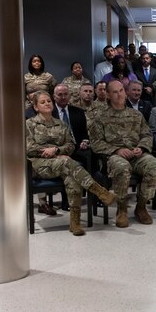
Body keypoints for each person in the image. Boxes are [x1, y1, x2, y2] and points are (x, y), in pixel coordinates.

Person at [26, 91, 116, 236]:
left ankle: (75, 222)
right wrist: (51, 152)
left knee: (72, 178)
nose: (47, 104)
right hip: (40, 164)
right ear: (36, 107)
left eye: (48, 101)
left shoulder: (61, 124)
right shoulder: (29, 124)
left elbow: (70, 145)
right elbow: (29, 148)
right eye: (42, 102)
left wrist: (56, 149)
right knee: (69, 163)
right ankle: (99, 191)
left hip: (61, 162)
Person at [88, 80, 156, 227]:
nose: (119, 94)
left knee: (155, 167)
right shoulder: (100, 117)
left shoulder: (136, 115)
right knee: (122, 168)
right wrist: (116, 150)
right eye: (115, 92)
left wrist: (141, 147)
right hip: (114, 156)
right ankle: (121, 209)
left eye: (121, 90)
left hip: (136, 154)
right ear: (108, 95)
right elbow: (96, 142)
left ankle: (141, 207)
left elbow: (147, 135)